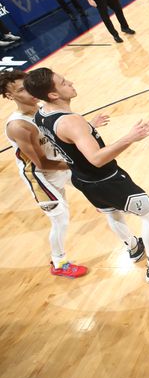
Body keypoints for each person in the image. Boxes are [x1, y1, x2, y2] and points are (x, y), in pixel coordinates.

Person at [23, 68, 149, 283]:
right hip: (106, 180)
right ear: (53, 94)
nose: (70, 82)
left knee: (113, 213)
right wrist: (130, 137)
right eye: (63, 83)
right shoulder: (71, 122)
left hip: (83, 180)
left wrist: (88, 127)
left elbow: (64, 138)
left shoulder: (41, 113)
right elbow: (97, 158)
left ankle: (133, 247)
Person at [2, 70, 92, 277]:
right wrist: (75, 163)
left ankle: (104, 203)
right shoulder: (19, 125)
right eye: (21, 90)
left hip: (59, 163)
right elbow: (41, 163)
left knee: (91, 181)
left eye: (28, 85)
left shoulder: (43, 108)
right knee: (61, 219)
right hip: (40, 175)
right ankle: (59, 263)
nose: (29, 92)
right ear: (10, 96)